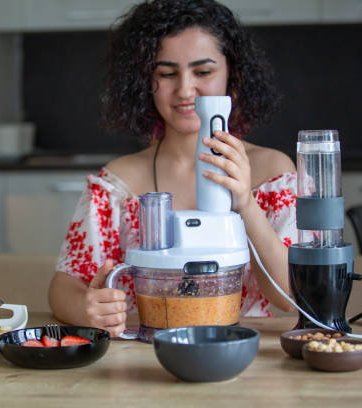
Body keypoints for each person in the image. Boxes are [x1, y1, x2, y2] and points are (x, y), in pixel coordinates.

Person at [48, 0, 297, 337]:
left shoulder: (273, 174)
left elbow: (292, 298)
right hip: (145, 359)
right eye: (166, 73)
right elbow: (63, 287)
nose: (184, 89)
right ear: (144, 82)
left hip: (250, 359)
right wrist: (86, 308)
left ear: (232, 75)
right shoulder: (117, 184)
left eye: (203, 72)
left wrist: (246, 205)